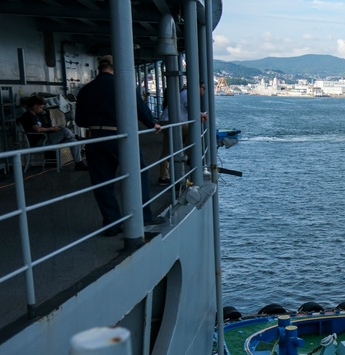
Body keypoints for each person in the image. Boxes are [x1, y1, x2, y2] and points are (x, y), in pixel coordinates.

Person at [75, 54, 164, 236]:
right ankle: (144, 216)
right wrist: (151, 124)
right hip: (119, 136)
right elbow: (141, 109)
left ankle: (111, 224)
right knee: (138, 174)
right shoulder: (122, 86)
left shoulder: (86, 90)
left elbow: (80, 120)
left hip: (94, 138)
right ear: (116, 68)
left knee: (102, 183)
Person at [157, 81, 207, 184]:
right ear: (197, 87)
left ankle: (163, 176)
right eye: (203, 88)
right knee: (192, 130)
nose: (204, 90)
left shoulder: (185, 93)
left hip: (167, 121)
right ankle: (189, 155)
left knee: (167, 150)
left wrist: (200, 115)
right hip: (171, 121)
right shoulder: (187, 93)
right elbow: (192, 110)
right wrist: (202, 114)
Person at [18, 95, 86, 170]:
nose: (42, 109)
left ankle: (79, 163)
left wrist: (54, 128)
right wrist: (51, 129)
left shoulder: (36, 115)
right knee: (65, 131)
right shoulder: (28, 116)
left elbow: (43, 126)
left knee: (73, 141)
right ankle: (75, 136)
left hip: (47, 138)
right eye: (41, 107)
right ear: (35, 106)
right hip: (41, 141)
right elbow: (38, 129)